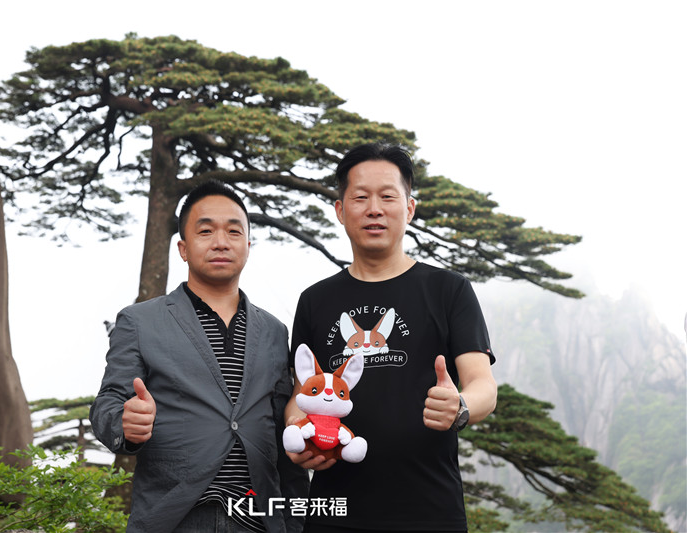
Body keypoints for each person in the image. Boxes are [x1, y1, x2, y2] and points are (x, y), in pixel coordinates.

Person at [285, 143, 498, 532]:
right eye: (360, 198)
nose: (374, 209)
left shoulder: (448, 290)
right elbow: (301, 393)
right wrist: (297, 435)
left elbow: (483, 385)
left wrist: (460, 406)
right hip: (333, 513)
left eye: (387, 197)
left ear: (409, 208)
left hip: (429, 512)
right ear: (340, 210)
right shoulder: (315, 300)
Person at [90, 180, 308, 533]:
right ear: (183, 248)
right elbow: (109, 402)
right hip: (175, 517)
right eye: (205, 231)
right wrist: (124, 424)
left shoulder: (274, 331)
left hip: (259, 518)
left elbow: (282, 428)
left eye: (234, 231)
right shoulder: (139, 321)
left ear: (248, 245)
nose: (221, 242)